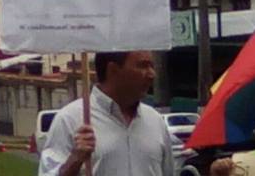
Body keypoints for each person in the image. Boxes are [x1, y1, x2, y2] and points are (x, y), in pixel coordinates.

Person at [38, 51, 173, 176]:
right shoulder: (70, 120)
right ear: (113, 70)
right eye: (142, 66)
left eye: (151, 66)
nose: (151, 74)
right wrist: (75, 161)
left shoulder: (155, 121)